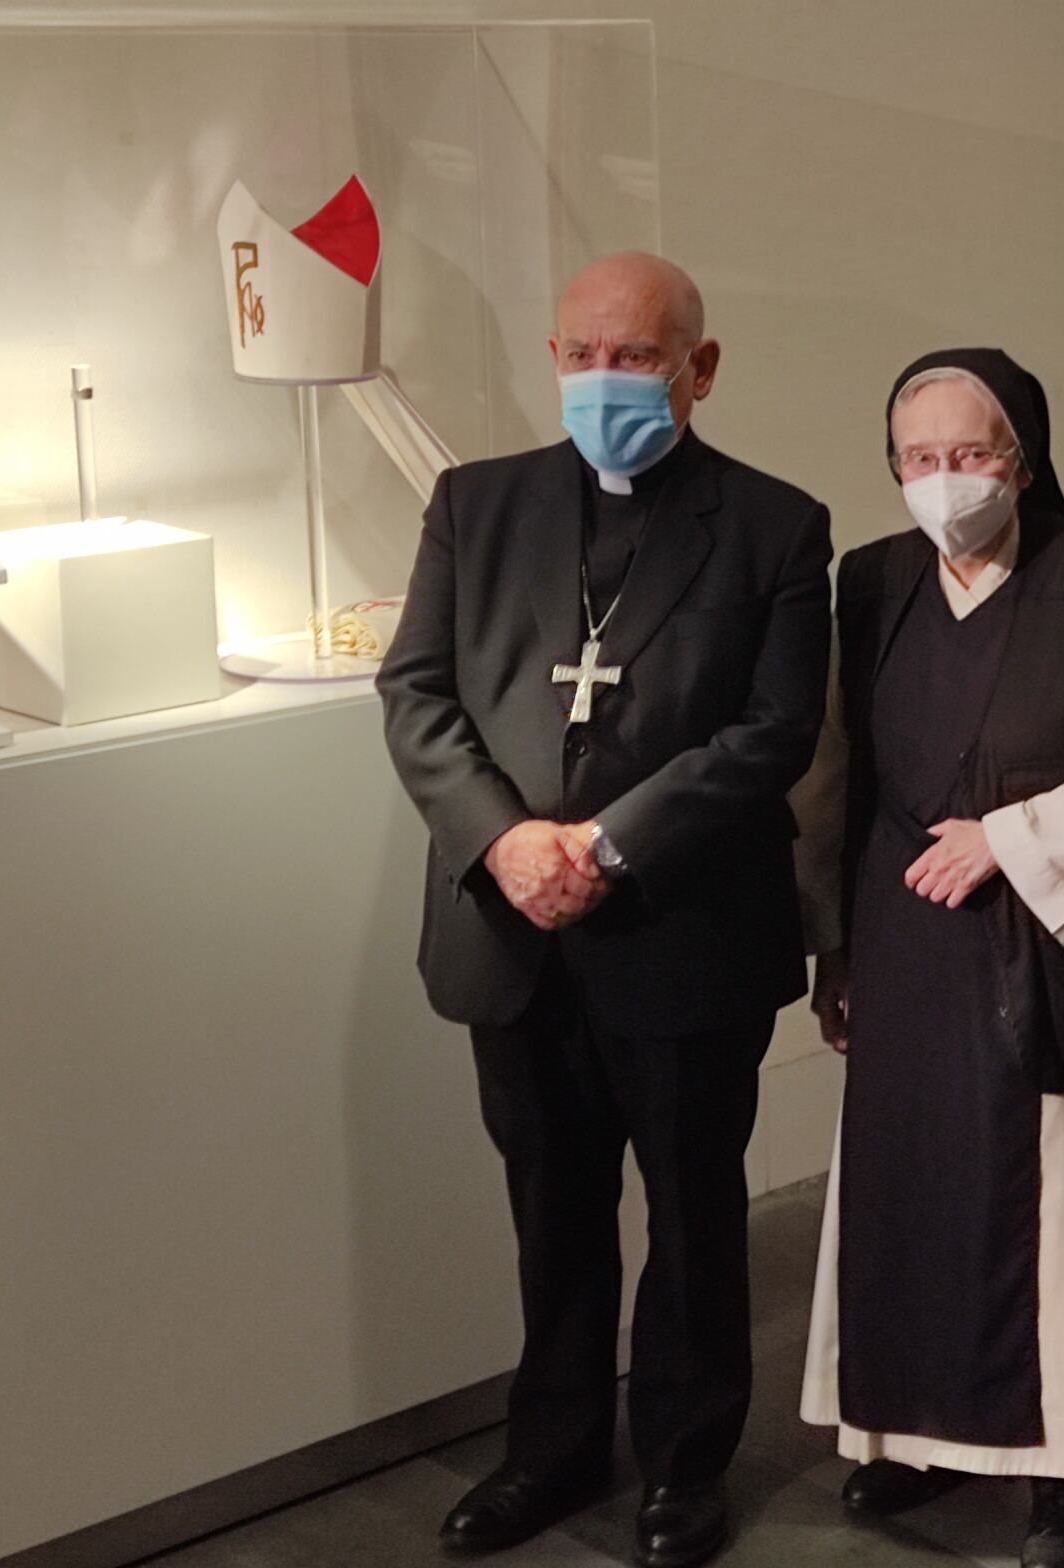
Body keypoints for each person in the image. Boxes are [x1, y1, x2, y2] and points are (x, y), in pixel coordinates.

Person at [378, 252, 831, 1568]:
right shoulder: (476, 504)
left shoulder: (774, 524)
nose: (602, 379)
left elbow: (774, 729)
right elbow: (416, 691)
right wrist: (505, 838)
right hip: (512, 931)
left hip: (683, 928)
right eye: (580, 354)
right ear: (552, 358)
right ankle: (553, 1446)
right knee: (550, 1206)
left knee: (693, 1214)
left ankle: (686, 1465)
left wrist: (609, 845)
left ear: (700, 367)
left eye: (634, 356)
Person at [799, 350, 1064, 1568]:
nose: (945, 478)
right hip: (906, 944)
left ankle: (1062, 1472)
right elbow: (836, 773)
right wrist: (835, 942)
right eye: (918, 458)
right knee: (909, 1200)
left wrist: (1009, 839)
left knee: (1049, 1217)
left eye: (970, 454)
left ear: (1022, 461)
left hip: (1044, 945)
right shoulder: (873, 581)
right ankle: (916, 1433)